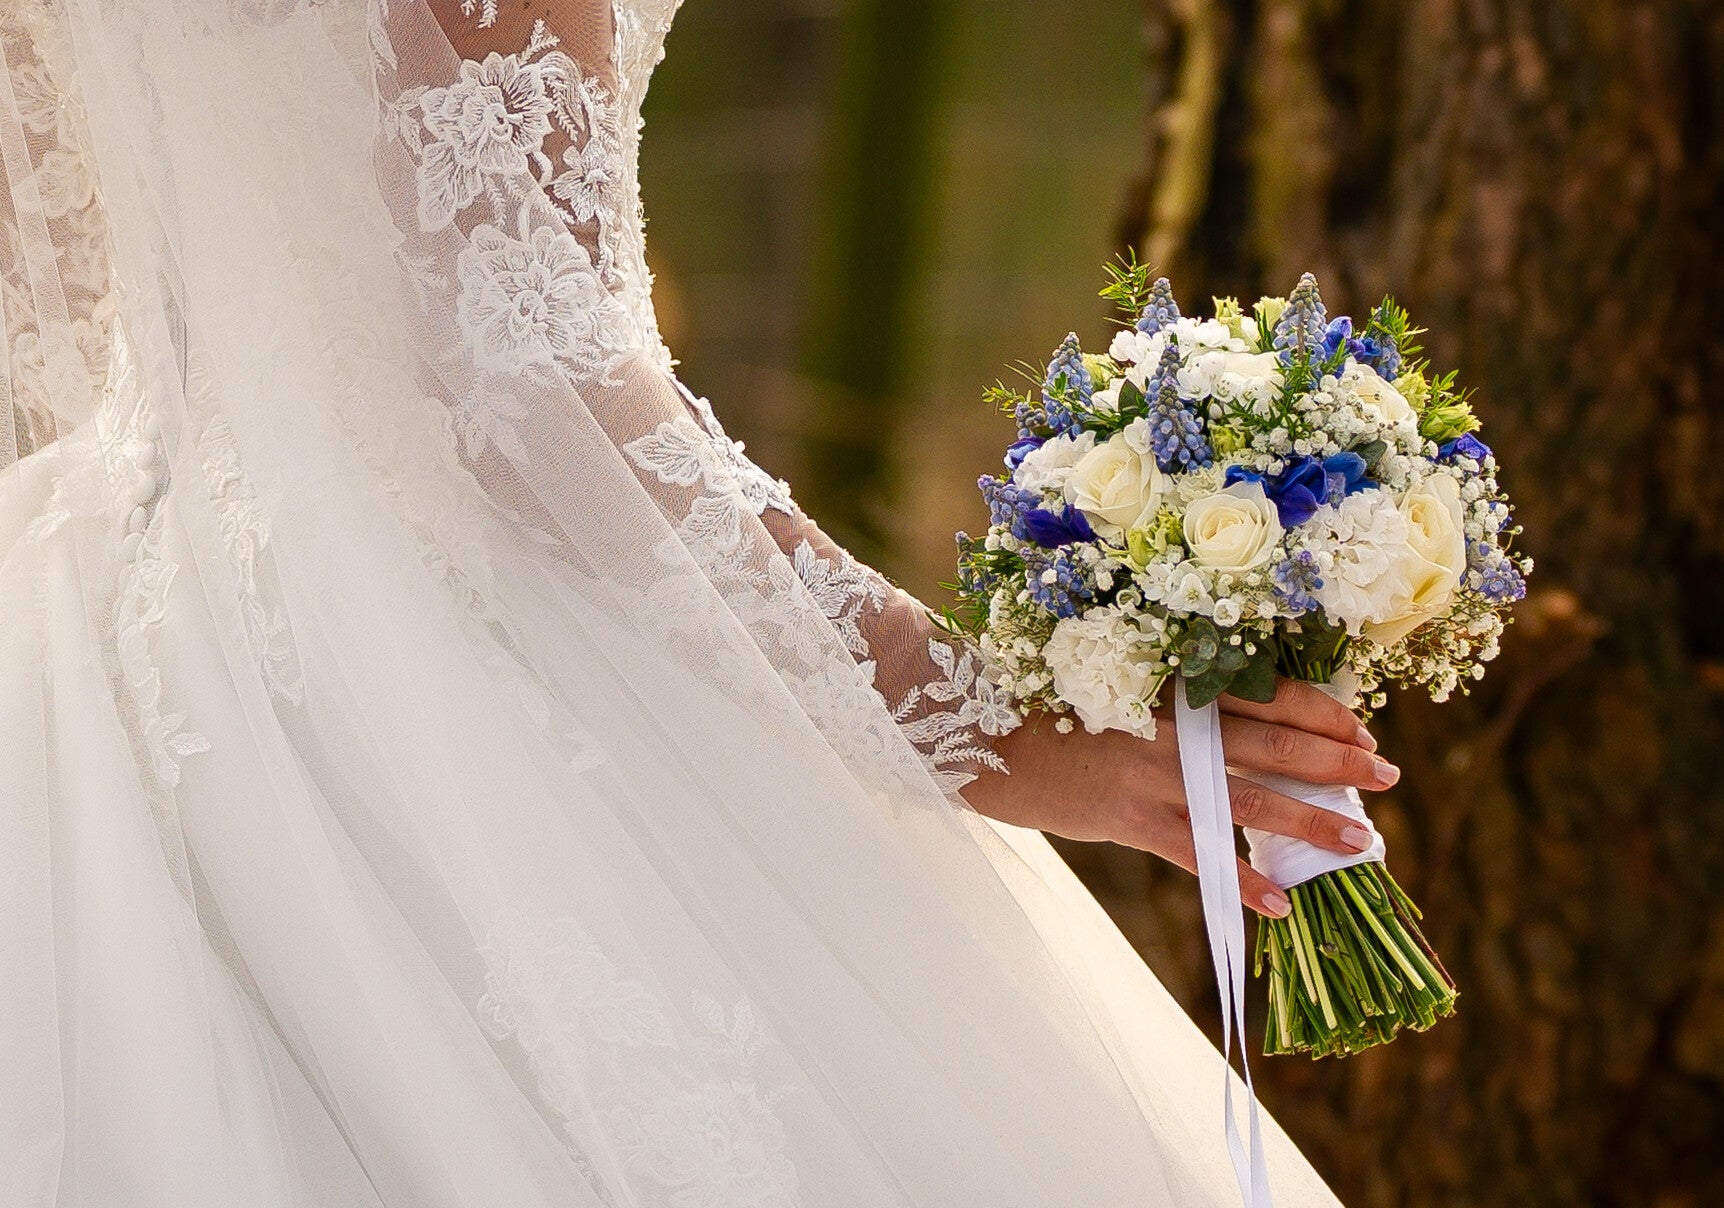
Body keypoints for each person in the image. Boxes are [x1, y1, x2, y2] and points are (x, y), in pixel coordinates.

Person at [0, 0, 1380, 1201]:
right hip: (449, 656)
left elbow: (48, 276)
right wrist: (999, 728)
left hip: (111, 619)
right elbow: (532, 395)